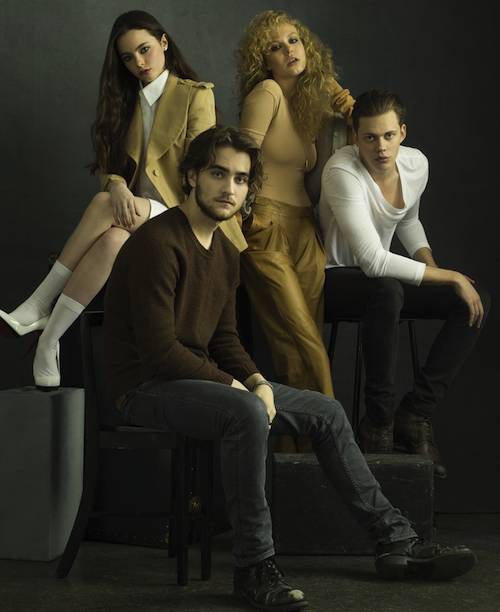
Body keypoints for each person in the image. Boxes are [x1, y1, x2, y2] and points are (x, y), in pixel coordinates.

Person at [104, 125, 477, 612]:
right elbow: (160, 352)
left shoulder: (225, 252)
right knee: (244, 411)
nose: (229, 188)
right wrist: (240, 388)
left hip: (196, 379)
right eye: (218, 174)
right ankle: (254, 568)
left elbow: (223, 339)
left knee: (326, 412)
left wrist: (257, 380)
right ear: (192, 176)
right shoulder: (158, 243)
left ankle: (395, 540)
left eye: (241, 179)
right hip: (145, 386)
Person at [0, 10, 245, 390]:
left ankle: (37, 304)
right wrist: (116, 186)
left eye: (145, 50)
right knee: (112, 238)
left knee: (102, 206)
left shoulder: (195, 95)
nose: (139, 63)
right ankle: (49, 341)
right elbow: (111, 166)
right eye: (128, 57)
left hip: (184, 212)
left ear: (164, 42)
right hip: (138, 218)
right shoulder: (125, 101)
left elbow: (201, 167)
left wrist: (116, 195)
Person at [317, 89, 490, 479]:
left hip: (383, 285)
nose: (380, 147)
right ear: (355, 136)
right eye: (369, 137)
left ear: (403, 133)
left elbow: (408, 221)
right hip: (336, 279)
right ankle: (378, 422)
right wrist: (451, 276)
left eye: (389, 135)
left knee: (473, 300)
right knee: (388, 289)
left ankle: (414, 414)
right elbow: (373, 260)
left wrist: (435, 273)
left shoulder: (415, 165)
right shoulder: (341, 171)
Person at [235, 10, 355, 451]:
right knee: (302, 343)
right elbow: (239, 162)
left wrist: (340, 99)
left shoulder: (307, 105)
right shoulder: (266, 93)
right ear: (263, 61)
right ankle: (337, 449)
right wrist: (229, 232)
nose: (288, 50)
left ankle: (295, 462)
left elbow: (359, 128)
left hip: (306, 230)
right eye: (275, 46)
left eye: (294, 40)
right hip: (265, 226)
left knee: (299, 348)